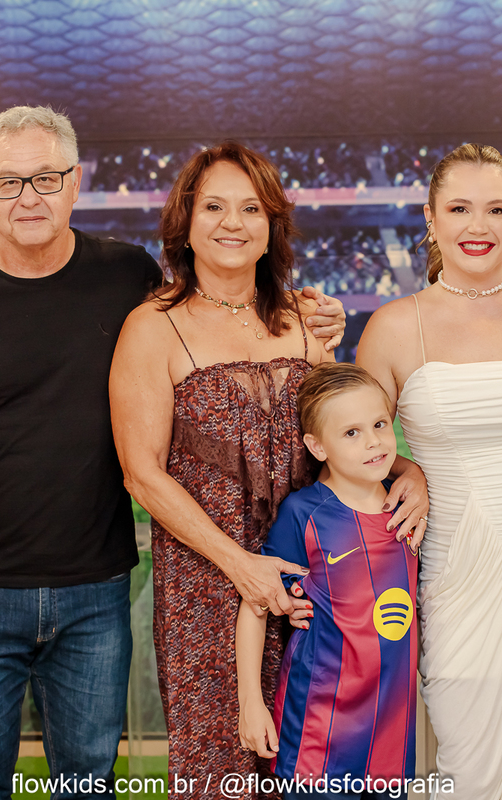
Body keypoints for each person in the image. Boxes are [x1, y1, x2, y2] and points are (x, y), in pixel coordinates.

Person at [0, 110, 345, 800]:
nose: (29, 197)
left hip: (97, 588)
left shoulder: (125, 275)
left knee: (89, 784)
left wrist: (321, 319)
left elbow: (229, 310)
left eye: (46, 178)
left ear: (75, 182)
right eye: (9, 182)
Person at [110, 141, 427, 800]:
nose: (233, 222)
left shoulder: (306, 323)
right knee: (222, 771)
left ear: (272, 225)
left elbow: (343, 438)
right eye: (214, 207)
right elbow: (141, 474)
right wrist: (240, 565)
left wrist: (408, 472)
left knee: (319, 768)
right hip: (206, 589)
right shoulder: (152, 327)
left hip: (317, 591)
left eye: (251, 208)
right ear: (185, 223)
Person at [356, 143, 502, 799]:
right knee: (470, 762)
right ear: (430, 219)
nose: (478, 226)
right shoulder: (393, 327)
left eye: (496, 209)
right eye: (459, 208)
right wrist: (406, 467)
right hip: (456, 582)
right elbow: (354, 449)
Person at [236, 363, 419, 798]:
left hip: (391, 730)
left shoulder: (409, 509)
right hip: (320, 726)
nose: (373, 441)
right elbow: (256, 603)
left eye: (379, 424)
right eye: (351, 432)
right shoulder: (304, 515)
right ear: (317, 446)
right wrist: (250, 704)